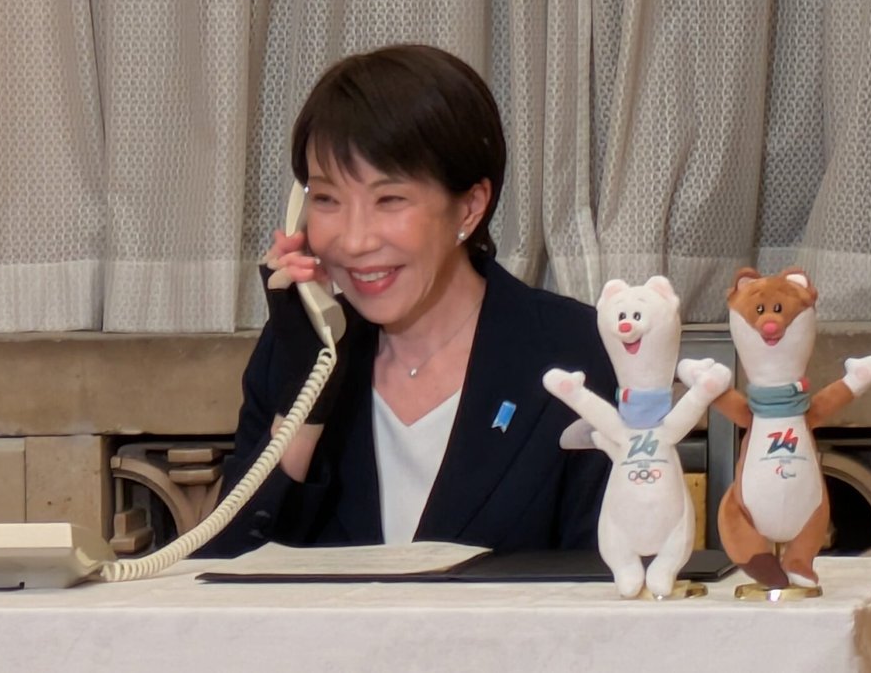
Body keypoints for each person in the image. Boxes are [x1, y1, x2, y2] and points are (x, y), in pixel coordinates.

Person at [205, 44, 615, 554]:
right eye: (327, 199)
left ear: (469, 207)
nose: (355, 241)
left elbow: (613, 581)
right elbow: (225, 571)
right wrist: (302, 407)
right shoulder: (298, 353)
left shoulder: (574, 350)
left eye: (390, 199)